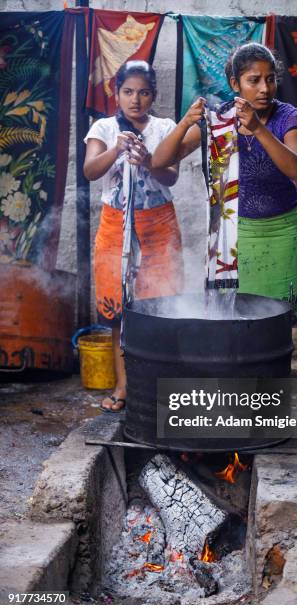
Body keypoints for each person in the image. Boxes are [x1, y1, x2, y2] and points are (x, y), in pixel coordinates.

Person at [152, 42, 297, 324]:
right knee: (237, 319)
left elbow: (296, 169)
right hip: (234, 237)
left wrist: (258, 129)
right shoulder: (220, 120)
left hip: (282, 234)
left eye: (270, 79)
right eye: (254, 80)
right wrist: (185, 123)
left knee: (278, 322)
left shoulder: (288, 117)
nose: (265, 88)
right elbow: (159, 161)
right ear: (235, 83)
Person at [83, 60, 183, 413]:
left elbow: (171, 177)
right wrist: (117, 150)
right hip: (115, 225)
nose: (135, 99)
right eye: (128, 92)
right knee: (118, 312)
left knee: (161, 309)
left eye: (143, 92)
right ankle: (123, 387)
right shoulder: (104, 128)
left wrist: (147, 161)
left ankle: (158, 390)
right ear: (116, 93)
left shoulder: (166, 127)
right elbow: (90, 170)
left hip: (159, 226)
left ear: (153, 95)